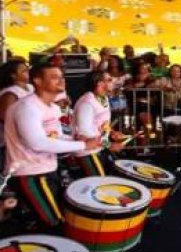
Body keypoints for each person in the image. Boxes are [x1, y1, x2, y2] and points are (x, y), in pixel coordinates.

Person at [4, 63, 101, 228]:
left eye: (61, 77)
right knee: (52, 224)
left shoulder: (52, 108)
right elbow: (37, 143)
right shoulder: (27, 107)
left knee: (53, 219)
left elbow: (54, 137)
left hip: (47, 169)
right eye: (54, 77)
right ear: (38, 81)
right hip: (30, 174)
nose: (61, 80)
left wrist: (74, 139)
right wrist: (81, 145)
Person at [71, 71, 126, 176]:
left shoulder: (103, 98)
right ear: (100, 83)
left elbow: (100, 124)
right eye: (109, 80)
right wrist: (109, 145)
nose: (113, 81)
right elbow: (84, 134)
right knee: (100, 184)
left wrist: (112, 133)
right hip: (87, 153)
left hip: (98, 148)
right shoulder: (87, 103)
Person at [0, 58, 33, 171]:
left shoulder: (30, 88)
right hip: (14, 140)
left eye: (27, 68)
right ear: (13, 75)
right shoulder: (10, 93)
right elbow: (5, 117)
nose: (27, 71)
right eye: (23, 70)